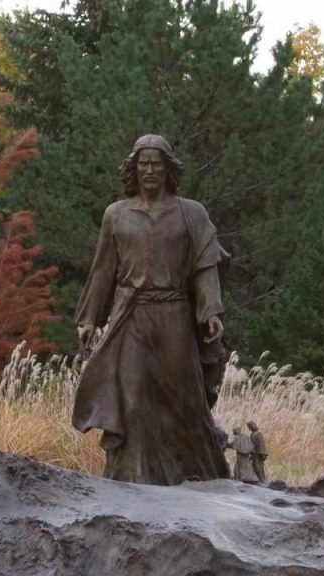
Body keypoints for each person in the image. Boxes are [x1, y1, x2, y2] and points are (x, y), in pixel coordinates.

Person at [71, 134, 230, 485]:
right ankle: (131, 479)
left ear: (169, 169)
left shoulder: (191, 213)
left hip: (174, 316)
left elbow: (206, 266)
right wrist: (89, 319)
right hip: (131, 317)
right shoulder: (117, 215)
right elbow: (102, 272)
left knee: (184, 401)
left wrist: (210, 312)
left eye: (157, 164)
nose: (149, 170)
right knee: (134, 400)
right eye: (143, 164)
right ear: (133, 168)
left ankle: (198, 477)